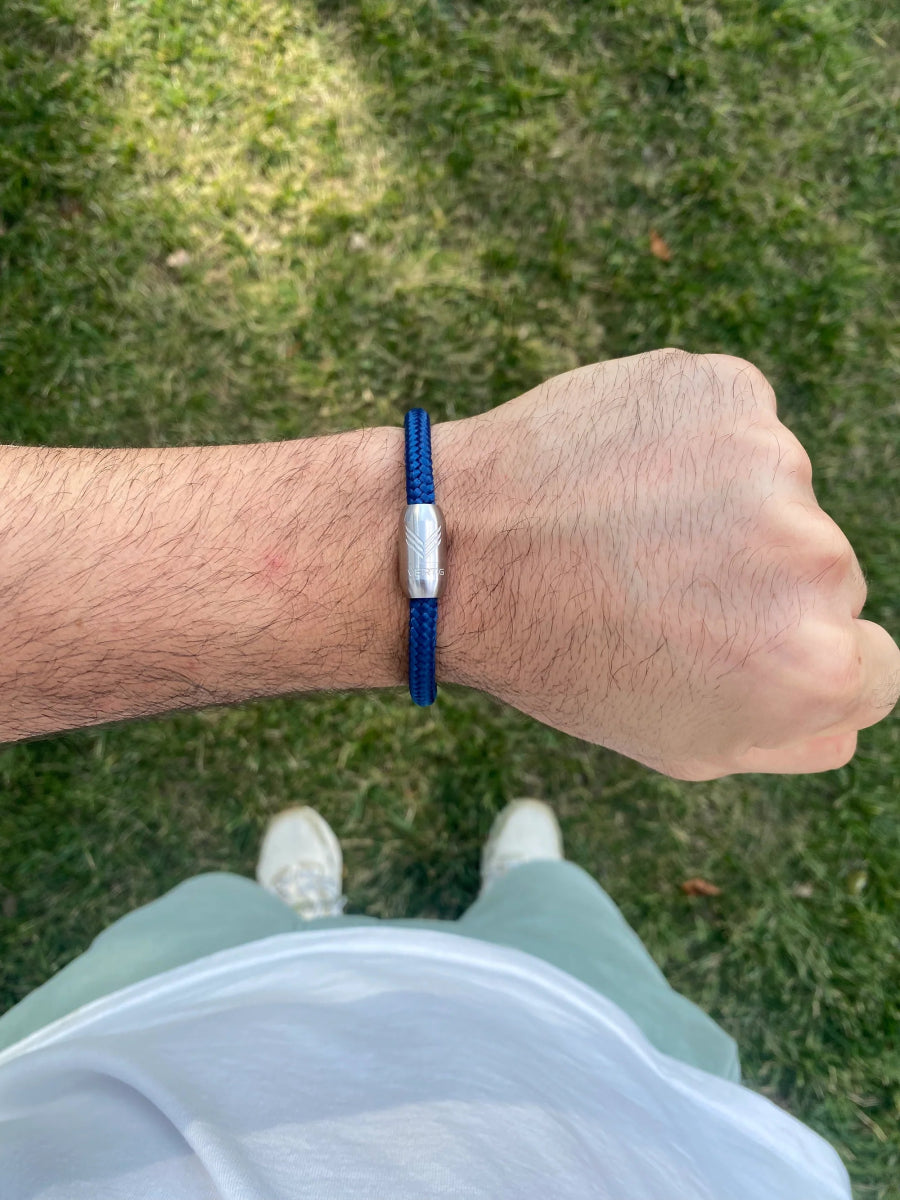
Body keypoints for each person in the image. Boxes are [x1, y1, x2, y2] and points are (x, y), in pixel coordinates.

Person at [0, 349, 897, 1197]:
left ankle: (299, 928)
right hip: (601, 1055)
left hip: (144, 1018)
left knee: (213, 909)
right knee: (563, 915)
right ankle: (525, 893)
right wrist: (460, 569)